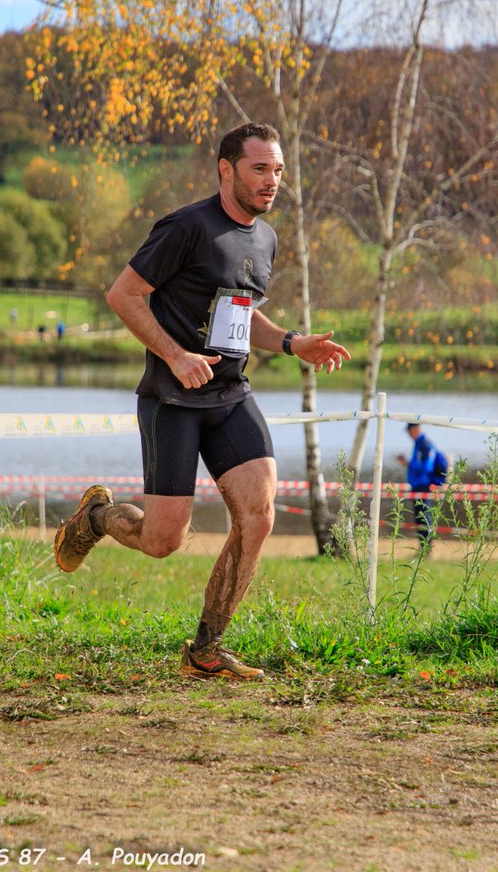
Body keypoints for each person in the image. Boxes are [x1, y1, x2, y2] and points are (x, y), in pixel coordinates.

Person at [54, 122, 351, 682]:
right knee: (164, 540)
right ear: (227, 169)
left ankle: (206, 650)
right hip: (172, 397)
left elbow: (240, 312)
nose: (272, 181)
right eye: (260, 169)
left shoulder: (265, 238)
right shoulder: (187, 227)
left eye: (278, 170)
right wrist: (173, 355)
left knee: (258, 518)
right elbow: (124, 295)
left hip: (230, 395)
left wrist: (291, 342)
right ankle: (95, 515)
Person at [397, 422, 448, 553]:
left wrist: (408, 464)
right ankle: (424, 548)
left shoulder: (424, 444)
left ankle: (426, 549)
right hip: (417, 486)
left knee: (424, 517)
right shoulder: (419, 444)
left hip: (422, 486)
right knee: (420, 518)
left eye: (410, 431)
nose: (409, 434)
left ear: (416, 429)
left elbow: (426, 467)